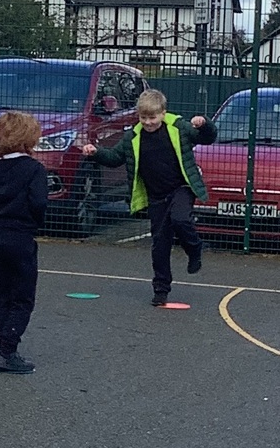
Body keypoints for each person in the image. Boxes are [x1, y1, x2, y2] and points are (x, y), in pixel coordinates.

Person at [81, 90, 213, 306]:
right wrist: (96, 152)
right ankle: (161, 289)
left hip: (181, 187)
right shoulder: (133, 137)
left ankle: (194, 248)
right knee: (160, 244)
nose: (148, 122)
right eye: (143, 118)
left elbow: (207, 138)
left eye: (152, 117)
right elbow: (115, 158)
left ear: (163, 113)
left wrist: (204, 124)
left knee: (180, 219)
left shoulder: (179, 127)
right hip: (156, 195)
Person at [0, 109, 49, 374]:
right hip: (20, 238)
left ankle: (4, 348)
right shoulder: (35, 170)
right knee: (22, 297)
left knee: (0, 296)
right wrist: (33, 221)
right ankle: (7, 350)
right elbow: (39, 203)